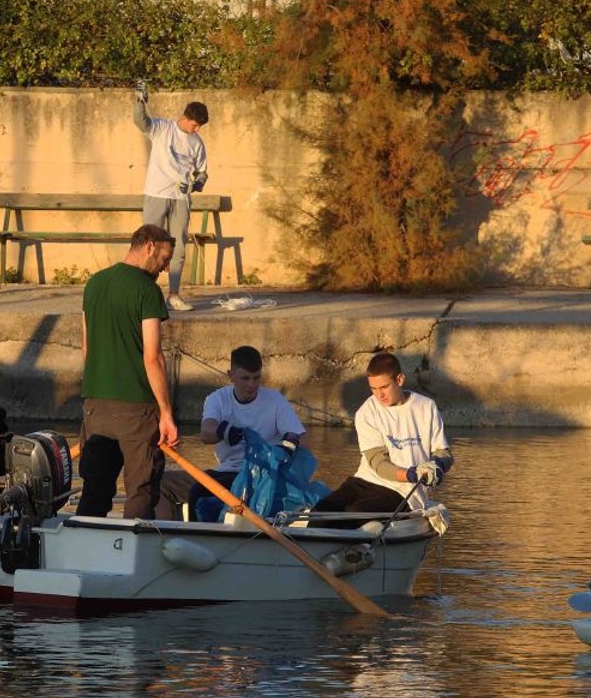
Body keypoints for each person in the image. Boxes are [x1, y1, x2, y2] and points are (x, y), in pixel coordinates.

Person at [76, 224, 180, 519]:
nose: (164, 267)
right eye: (164, 258)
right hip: (137, 410)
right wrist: (166, 413)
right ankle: (134, 555)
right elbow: (153, 358)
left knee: (95, 490)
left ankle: (87, 546)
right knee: (141, 491)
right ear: (149, 246)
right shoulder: (147, 291)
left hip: (95, 406)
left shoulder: (94, 283)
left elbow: (87, 348)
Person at [310, 352, 452, 523]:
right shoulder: (366, 413)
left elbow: (444, 453)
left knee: (357, 512)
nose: (379, 395)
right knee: (320, 512)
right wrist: (411, 474)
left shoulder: (426, 406)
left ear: (399, 380)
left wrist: (437, 466)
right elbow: (378, 464)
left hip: (404, 491)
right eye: (374, 389)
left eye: (384, 387)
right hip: (365, 480)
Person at [187, 345, 306, 521]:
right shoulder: (217, 399)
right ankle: (198, 539)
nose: (251, 385)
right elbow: (206, 433)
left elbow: (300, 436)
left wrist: (288, 446)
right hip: (231, 472)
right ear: (231, 376)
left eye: (256, 378)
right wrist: (224, 431)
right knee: (196, 492)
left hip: (267, 475)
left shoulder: (275, 400)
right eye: (245, 378)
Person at [132, 81, 208, 313]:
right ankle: (142, 293)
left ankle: (173, 295)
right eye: (195, 125)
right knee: (149, 245)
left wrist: (195, 185)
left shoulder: (197, 142)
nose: (197, 130)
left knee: (178, 247)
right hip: (157, 194)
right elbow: (140, 122)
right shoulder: (163, 128)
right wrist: (140, 101)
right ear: (186, 118)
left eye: (199, 127)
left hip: (181, 200)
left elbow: (203, 173)